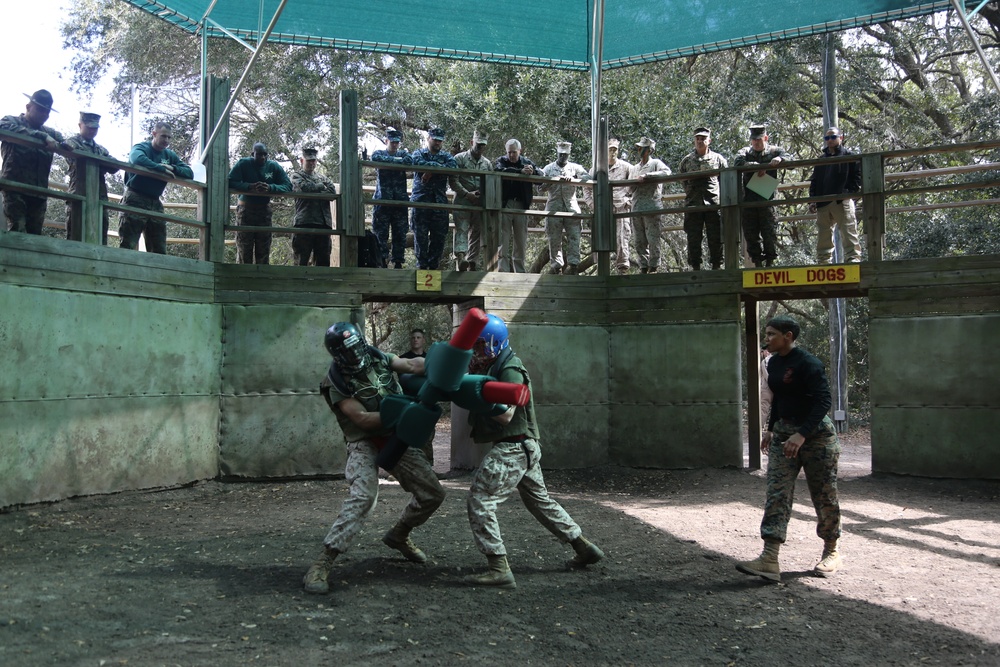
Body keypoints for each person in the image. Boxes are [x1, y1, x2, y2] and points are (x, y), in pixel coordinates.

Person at [303, 322, 446, 595]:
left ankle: (399, 534)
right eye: (349, 351)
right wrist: (408, 413)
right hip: (364, 441)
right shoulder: (335, 380)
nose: (356, 354)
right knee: (364, 496)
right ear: (337, 355)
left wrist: (446, 365)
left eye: (357, 346)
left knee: (432, 494)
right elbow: (362, 419)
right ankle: (323, 561)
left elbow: (413, 366)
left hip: (395, 435)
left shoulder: (377, 355)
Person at [463, 314, 605, 589]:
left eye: (480, 346)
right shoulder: (495, 364)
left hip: (513, 447)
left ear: (495, 343)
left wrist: (474, 396)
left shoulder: (511, 369)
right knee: (540, 502)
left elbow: (506, 415)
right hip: (522, 447)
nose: (476, 352)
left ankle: (498, 567)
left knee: (480, 499)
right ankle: (584, 547)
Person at [736, 315, 842, 583]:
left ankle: (831, 550)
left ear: (789, 336)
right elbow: (778, 398)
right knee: (777, 492)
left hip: (816, 437)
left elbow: (824, 401)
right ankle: (769, 558)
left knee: (824, 494)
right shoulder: (773, 363)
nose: (767, 339)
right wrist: (771, 428)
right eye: (767, 333)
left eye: (772, 334)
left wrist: (802, 435)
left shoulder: (808, 363)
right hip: (784, 433)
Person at [119, 122, 194, 254]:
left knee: (158, 247)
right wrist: (160, 168)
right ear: (154, 134)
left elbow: (189, 172)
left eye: (169, 137)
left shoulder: (169, 155)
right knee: (128, 243)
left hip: (155, 201)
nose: (166, 140)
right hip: (135, 197)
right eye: (163, 136)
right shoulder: (141, 147)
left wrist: (172, 167)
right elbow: (137, 159)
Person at [0, 89, 64, 234]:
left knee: (35, 237)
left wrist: (67, 145)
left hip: (39, 194)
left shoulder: (51, 133)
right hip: (15, 191)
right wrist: (39, 136)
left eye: (47, 112)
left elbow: (68, 142)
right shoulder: (10, 122)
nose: (44, 115)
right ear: (28, 107)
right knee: (18, 233)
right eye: (40, 110)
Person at [733, 124, 790, 267]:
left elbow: (790, 159)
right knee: (750, 233)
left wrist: (780, 159)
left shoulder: (774, 150)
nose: (756, 143)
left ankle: (770, 260)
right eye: (754, 140)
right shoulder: (746, 152)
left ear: (765, 138)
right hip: (749, 200)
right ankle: (757, 261)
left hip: (767, 199)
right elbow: (737, 161)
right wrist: (752, 165)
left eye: (759, 140)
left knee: (769, 232)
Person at [228, 142, 292, 264]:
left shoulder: (273, 166)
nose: (262, 157)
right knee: (244, 248)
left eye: (265, 154)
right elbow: (230, 181)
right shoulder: (244, 163)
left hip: (264, 211)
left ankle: (261, 279)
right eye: (259, 154)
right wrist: (249, 187)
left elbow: (288, 185)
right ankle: (243, 279)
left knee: (263, 249)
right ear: (253, 154)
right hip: (245, 210)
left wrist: (270, 188)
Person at [63, 112, 119, 244]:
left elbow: (114, 166)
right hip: (79, 194)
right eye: (89, 127)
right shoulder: (71, 142)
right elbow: (71, 153)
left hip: (99, 197)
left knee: (101, 235)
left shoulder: (100, 149)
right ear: (80, 125)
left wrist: (104, 162)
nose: (92, 131)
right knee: (75, 235)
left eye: (95, 128)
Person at [808, 127, 862, 264]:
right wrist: (813, 200)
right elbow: (814, 181)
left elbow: (857, 178)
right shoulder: (821, 160)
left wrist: (847, 194)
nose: (830, 140)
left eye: (833, 137)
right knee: (823, 234)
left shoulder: (849, 156)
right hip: (823, 201)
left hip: (842, 200)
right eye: (827, 138)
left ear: (840, 138)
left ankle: (853, 258)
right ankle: (824, 261)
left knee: (848, 229)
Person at [678, 127, 728, 270]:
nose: (700, 141)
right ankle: (695, 266)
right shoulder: (687, 161)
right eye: (697, 139)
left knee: (715, 236)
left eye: (703, 139)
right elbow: (683, 180)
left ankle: (717, 265)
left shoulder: (718, 159)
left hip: (713, 203)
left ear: (709, 141)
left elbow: (725, 179)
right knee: (693, 237)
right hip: (693, 203)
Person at [540, 141, 592, 275]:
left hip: (571, 207)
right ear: (557, 153)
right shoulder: (549, 168)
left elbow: (588, 177)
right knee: (554, 238)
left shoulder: (574, 167)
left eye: (566, 155)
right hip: (553, 206)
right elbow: (540, 187)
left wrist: (574, 178)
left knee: (574, 237)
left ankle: (574, 266)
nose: (563, 157)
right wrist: (553, 180)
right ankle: (556, 267)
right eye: (561, 154)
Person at [409, 127, 457, 270]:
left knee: (439, 238)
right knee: (420, 237)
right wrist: (437, 168)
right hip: (421, 202)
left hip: (439, 203)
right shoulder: (419, 153)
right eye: (435, 139)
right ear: (428, 138)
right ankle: (422, 268)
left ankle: (433, 268)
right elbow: (415, 162)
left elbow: (453, 166)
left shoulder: (446, 156)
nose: (438, 143)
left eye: (440, 141)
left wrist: (430, 170)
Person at [585, 138, 633, 274]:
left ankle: (622, 269)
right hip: (601, 208)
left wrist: (629, 201)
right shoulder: (596, 168)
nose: (612, 152)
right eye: (610, 149)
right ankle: (601, 268)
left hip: (620, 207)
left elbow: (635, 185)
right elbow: (587, 188)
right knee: (600, 235)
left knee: (622, 236)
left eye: (614, 149)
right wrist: (592, 204)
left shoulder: (626, 167)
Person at [494, 139, 542, 273]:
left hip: (522, 205)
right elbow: (498, 169)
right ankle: (502, 269)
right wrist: (519, 172)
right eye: (509, 152)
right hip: (506, 203)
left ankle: (519, 271)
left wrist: (533, 172)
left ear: (520, 151)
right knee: (503, 238)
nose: (511, 155)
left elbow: (541, 175)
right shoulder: (502, 161)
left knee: (521, 239)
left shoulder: (527, 162)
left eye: (514, 152)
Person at [449, 131, 493, 271]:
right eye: (478, 144)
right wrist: (467, 194)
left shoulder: (487, 163)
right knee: (462, 228)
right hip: (463, 200)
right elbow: (453, 181)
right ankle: (461, 256)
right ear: (471, 142)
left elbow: (490, 183)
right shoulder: (459, 158)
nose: (480, 148)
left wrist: (482, 195)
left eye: (483, 145)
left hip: (479, 203)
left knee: (477, 231)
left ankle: (472, 261)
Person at [627, 137, 672, 274]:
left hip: (652, 206)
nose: (639, 150)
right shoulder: (634, 168)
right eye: (639, 148)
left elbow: (667, 172)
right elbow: (628, 188)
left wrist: (648, 176)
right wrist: (633, 183)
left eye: (642, 148)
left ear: (649, 150)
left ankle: (654, 265)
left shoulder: (656, 163)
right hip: (637, 207)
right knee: (639, 239)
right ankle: (643, 265)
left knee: (653, 237)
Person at [371, 128, 412, 268]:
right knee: (380, 233)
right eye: (392, 142)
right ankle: (381, 260)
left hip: (400, 202)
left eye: (397, 142)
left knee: (400, 233)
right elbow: (376, 158)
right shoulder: (379, 153)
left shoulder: (404, 154)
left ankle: (398, 262)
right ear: (386, 141)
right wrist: (396, 161)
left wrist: (391, 162)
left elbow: (408, 161)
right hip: (383, 201)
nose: (395, 145)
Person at [290, 147, 337, 266]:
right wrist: (321, 187)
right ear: (302, 161)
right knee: (301, 260)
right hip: (304, 222)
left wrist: (315, 189)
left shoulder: (323, 177)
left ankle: (322, 284)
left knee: (323, 260)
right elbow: (305, 188)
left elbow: (332, 192)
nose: (312, 163)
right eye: (308, 160)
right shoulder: (296, 176)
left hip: (323, 224)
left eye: (313, 161)